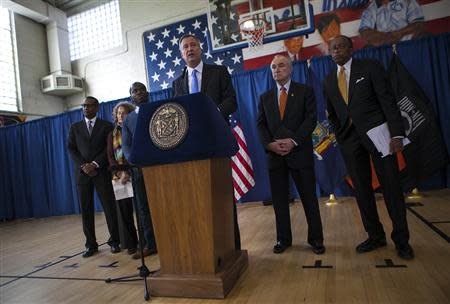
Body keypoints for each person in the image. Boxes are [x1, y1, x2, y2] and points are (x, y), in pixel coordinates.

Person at [322, 35, 414, 259]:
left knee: (391, 187)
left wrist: (397, 134)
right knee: (362, 191)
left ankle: (401, 240)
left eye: (341, 47)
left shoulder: (370, 67)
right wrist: (341, 136)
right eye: (333, 49)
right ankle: (375, 236)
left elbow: (387, 100)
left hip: (380, 136)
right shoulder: (328, 81)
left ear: (351, 49)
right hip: (350, 141)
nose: (337, 51)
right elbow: (332, 114)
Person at [172, 34, 241, 250]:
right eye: (185, 47)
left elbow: (231, 102)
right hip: (191, 148)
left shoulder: (218, 72)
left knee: (222, 197)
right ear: (182, 54)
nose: (190, 49)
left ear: (200, 49)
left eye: (193, 45)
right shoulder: (177, 83)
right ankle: (204, 248)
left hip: (217, 143)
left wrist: (213, 113)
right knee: (197, 199)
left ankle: (232, 246)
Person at [257, 54, 325, 255]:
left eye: (281, 66)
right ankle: (283, 239)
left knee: (309, 198)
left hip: (299, 153)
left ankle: (316, 239)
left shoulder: (305, 92)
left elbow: (311, 119)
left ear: (291, 69)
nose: (277, 70)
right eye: (273, 67)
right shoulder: (265, 97)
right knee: (279, 201)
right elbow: (261, 125)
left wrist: (293, 141)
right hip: (275, 156)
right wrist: (270, 145)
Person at [67, 96, 120, 258]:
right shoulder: (75, 127)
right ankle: (91, 244)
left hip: (101, 172)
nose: (85, 108)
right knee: (86, 209)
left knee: (109, 207)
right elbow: (71, 149)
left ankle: (115, 241)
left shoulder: (106, 126)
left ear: (96, 107)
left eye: (89, 106)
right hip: (83, 174)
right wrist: (84, 165)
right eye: (83, 106)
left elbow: (109, 149)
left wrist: (95, 163)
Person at [122, 82, 157, 259]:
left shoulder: (159, 110)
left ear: (148, 93)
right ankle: (151, 244)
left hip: (160, 167)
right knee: (143, 209)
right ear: (131, 97)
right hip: (139, 170)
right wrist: (134, 161)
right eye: (135, 91)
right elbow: (126, 147)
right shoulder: (128, 120)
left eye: (142, 89)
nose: (140, 93)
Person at [107, 102, 138, 255]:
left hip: (134, 173)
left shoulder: (135, 129)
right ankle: (131, 243)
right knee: (124, 212)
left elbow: (134, 151)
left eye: (124, 113)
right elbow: (110, 156)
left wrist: (128, 171)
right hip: (119, 177)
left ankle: (147, 242)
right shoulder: (111, 134)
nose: (121, 115)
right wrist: (120, 173)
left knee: (140, 211)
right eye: (119, 113)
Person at [359, 0, 426, 47]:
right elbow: (364, 32)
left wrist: (398, 33)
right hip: (385, 51)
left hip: (409, 46)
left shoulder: (407, 1)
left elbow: (418, 24)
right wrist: (387, 36)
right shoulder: (370, 9)